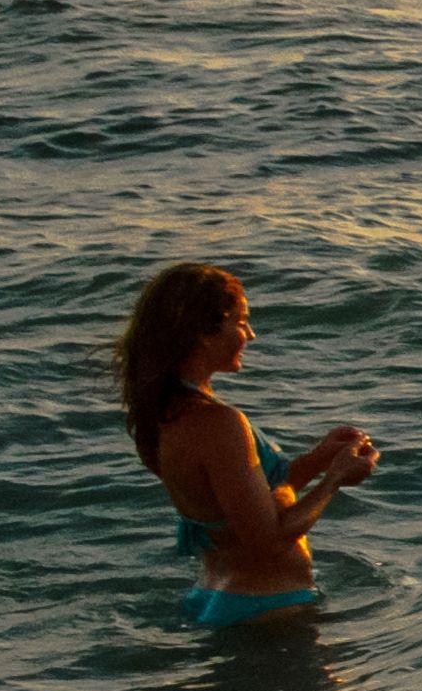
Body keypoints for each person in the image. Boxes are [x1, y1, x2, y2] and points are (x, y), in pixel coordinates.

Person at [117, 262, 379, 631]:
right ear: (203, 333)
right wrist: (334, 480)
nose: (251, 335)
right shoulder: (218, 423)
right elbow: (268, 541)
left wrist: (318, 460)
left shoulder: (165, 413)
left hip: (221, 596)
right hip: (265, 609)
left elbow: (244, 500)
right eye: (240, 322)